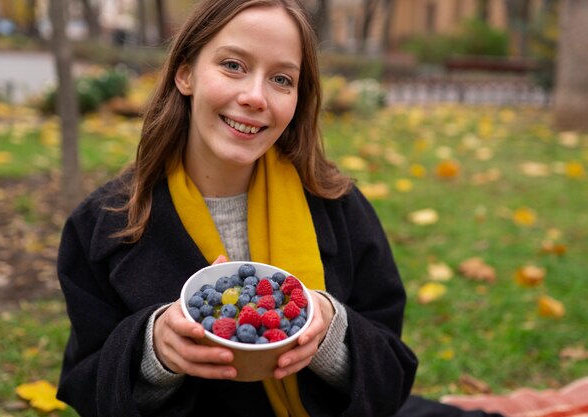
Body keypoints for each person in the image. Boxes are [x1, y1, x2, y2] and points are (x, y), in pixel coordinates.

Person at [56, 1, 501, 416]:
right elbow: (85, 386)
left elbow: (392, 376)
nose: (256, 96)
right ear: (185, 73)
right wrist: (153, 352)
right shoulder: (104, 224)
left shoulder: (338, 206)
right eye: (233, 66)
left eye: (282, 79)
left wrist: (331, 334)